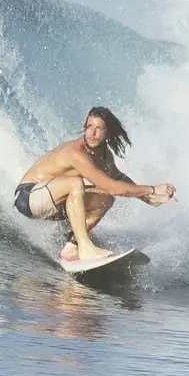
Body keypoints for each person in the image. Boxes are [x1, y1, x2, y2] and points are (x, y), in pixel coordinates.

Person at [13, 106, 175, 261]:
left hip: (53, 203)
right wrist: (153, 189)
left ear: (108, 132)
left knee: (106, 198)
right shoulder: (76, 153)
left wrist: (149, 199)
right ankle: (85, 247)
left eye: (99, 128)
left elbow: (117, 178)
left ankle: (72, 246)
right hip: (28, 196)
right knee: (76, 183)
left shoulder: (103, 154)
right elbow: (113, 187)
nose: (92, 133)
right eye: (89, 126)